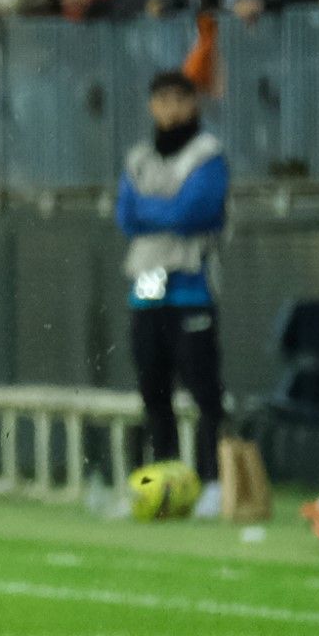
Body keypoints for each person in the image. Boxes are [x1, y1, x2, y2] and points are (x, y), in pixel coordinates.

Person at [115, 70, 230, 514]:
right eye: (161, 100)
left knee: (203, 390)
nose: (170, 109)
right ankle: (159, 484)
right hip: (147, 281)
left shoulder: (207, 154)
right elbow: (127, 216)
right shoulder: (140, 156)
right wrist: (167, 209)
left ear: (192, 104)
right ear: (151, 106)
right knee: (152, 390)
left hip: (190, 282)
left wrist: (155, 209)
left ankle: (212, 482)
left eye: (179, 100)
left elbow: (194, 211)